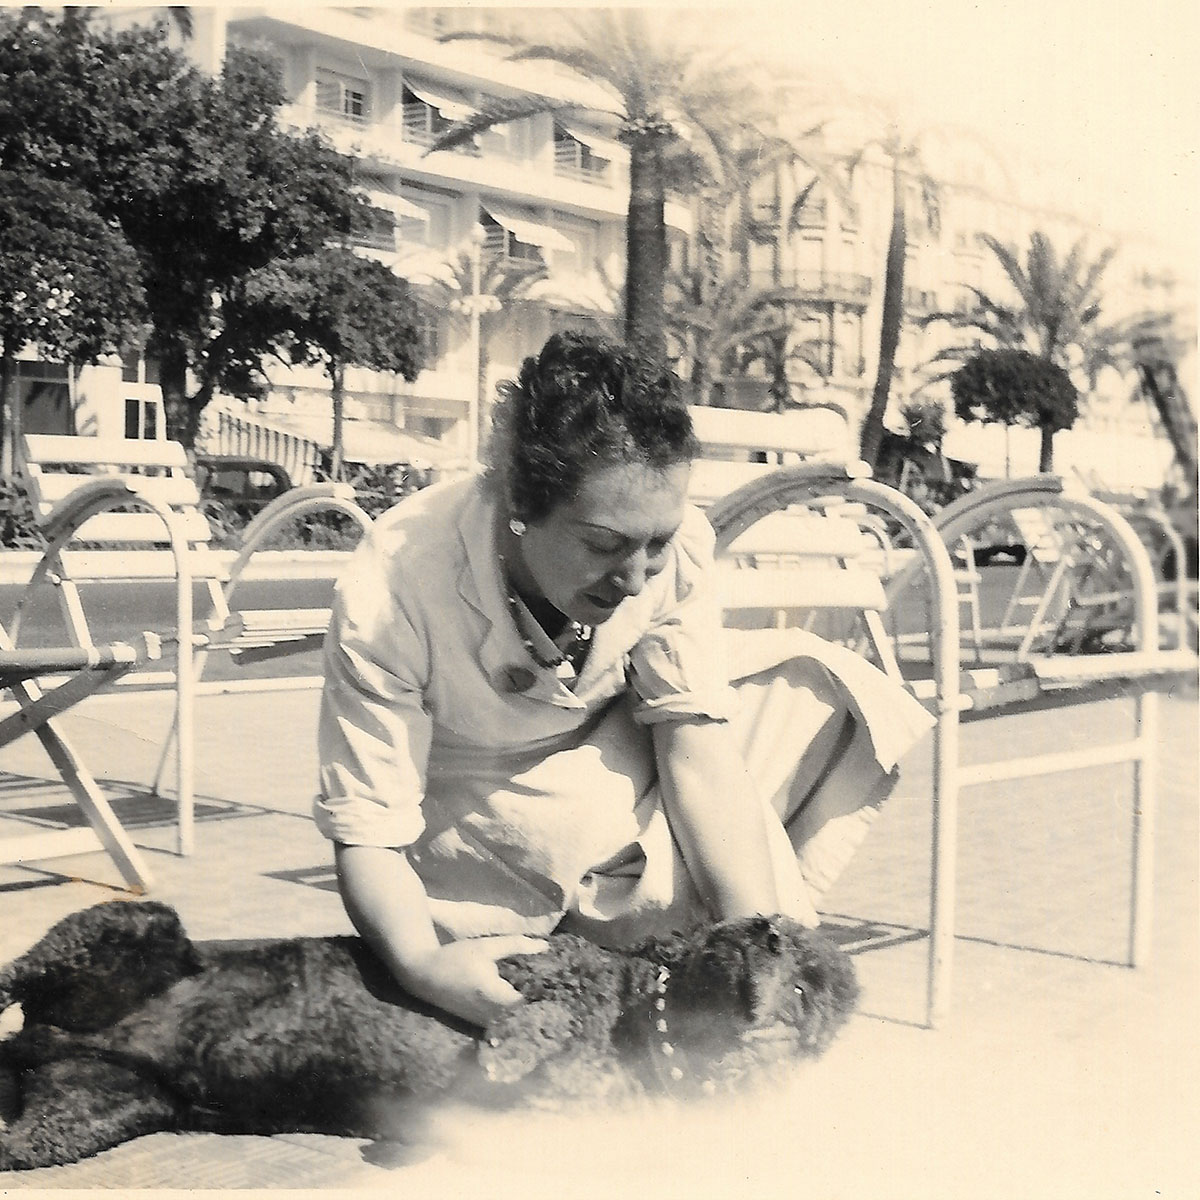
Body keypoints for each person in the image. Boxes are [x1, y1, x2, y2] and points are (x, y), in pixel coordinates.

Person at [315, 331, 932, 1029]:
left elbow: (696, 753)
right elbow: (369, 833)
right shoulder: (394, 585)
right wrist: (421, 968)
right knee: (668, 882)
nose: (636, 579)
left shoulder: (676, 548)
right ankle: (635, 957)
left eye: (657, 544)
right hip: (480, 814)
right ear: (518, 496)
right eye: (603, 545)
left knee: (811, 686)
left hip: (605, 755)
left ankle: (749, 965)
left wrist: (759, 945)